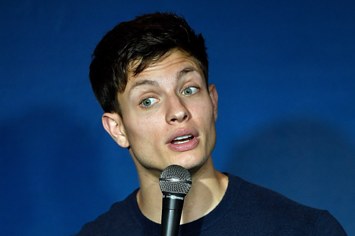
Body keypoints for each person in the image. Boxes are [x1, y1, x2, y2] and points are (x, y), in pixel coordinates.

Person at [76, 12, 347, 235]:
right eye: (148, 101)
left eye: (189, 89)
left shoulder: (303, 229)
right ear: (118, 129)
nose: (178, 111)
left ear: (213, 102)